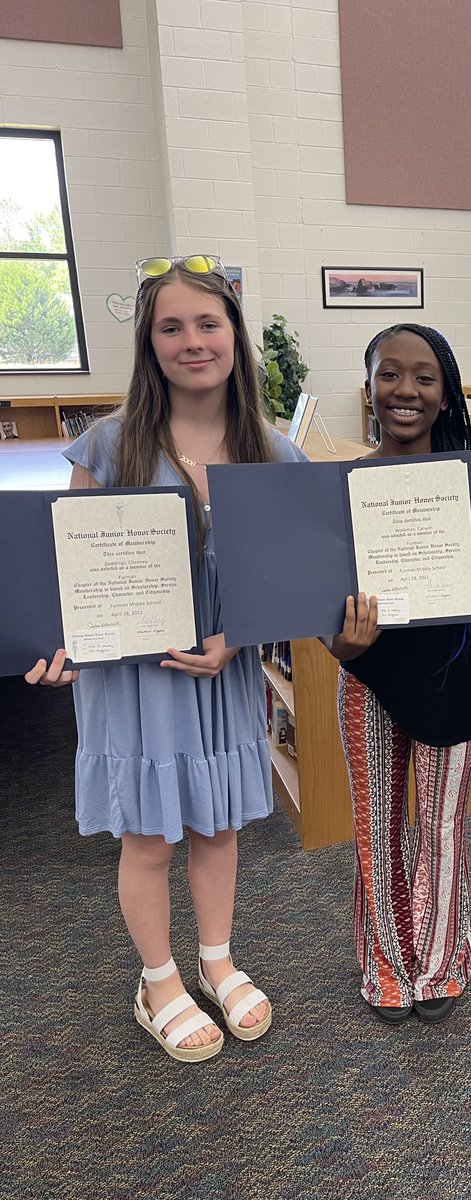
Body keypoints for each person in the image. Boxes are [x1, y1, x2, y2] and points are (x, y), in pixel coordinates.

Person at [25, 255, 307, 1061]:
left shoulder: (273, 453)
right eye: (171, 327)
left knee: (219, 825)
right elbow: (69, 579)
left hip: (221, 675)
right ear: (149, 344)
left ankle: (216, 960)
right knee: (149, 835)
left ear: (234, 335)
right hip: (136, 683)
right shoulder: (109, 446)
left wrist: (240, 638)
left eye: (207, 324)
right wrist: (54, 646)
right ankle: (158, 979)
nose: (192, 341)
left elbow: (285, 584)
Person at [323, 323, 471, 1025]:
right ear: (368, 389)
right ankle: (388, 968)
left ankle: (441, 962)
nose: (406, 390)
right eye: (389, 375)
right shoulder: (344, 485)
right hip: (369, 675)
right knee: (376, 826)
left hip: (450, 679)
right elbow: (322, 603)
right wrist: (342, 646)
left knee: (441, 828)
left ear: (446, 391)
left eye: (424, 377)